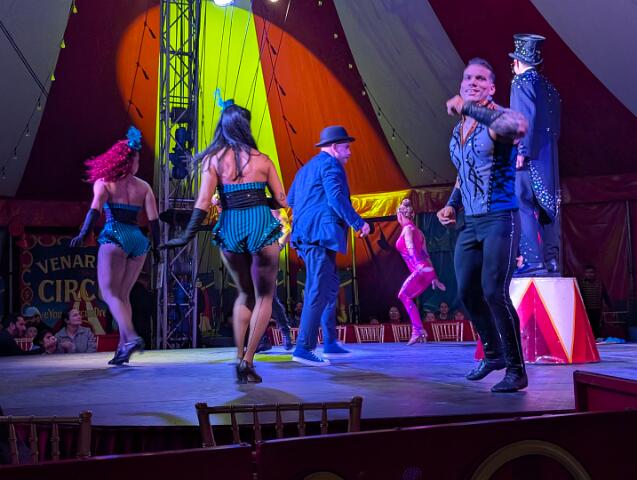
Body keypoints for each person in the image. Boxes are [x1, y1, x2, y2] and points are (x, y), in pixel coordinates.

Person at [163, 103, 287, 383]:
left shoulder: (214, 160)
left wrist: (186, 235)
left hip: (231, 227)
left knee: (245, 294)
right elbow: (281, 200)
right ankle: (248, 361)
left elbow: (203, 202)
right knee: (264, 296)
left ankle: (238, 354)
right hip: (260, 225)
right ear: (246, 126)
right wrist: (258, 199)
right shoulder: (263, 160)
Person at [437, 57, 529, 392]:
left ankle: (516, 370)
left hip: (500, 218)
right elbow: (463, 174)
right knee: (466, 292)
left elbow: (518, 126)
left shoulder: (497, 118)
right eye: (468, 78)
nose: (472, 83)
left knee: (494, 291)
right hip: (471, 223)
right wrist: (451, 204)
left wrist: (469, 108)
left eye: (480, 79)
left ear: (491, 87)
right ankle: (493, 355)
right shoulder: (458, 130)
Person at [70, 126, 159, 365]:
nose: (138, 164)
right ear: (129, 161)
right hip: (138, 240)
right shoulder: (144, 187)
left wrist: (82, 234)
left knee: (108, 293)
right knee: (123, 295)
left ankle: (130, 337)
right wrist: (158, 248)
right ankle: (122, 348)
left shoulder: (104, 183)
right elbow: (153, 221)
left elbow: (94, 211)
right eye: (137, 160)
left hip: (116, 236)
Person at [287, 126, 370, 366]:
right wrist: (358, 223)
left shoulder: (305, 169)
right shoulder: (332, 165)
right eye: (347, 147)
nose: (349, 152)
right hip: (319, 235)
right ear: (334, 147)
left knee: (330, 286)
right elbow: (336, 198)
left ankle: (330, 342)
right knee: (317, 288)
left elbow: (291, 199)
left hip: (305, 234)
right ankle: (304, 348)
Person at [509, 34, 562, 276]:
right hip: (549, 156)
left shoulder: (520, 82)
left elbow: (523, 117)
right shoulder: (551, 89)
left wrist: (521, 150)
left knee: (521, 201)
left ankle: (533, 260)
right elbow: (556, 126)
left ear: (517, 62)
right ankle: (551, 260)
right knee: (549, 207)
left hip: (528, 154)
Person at [395, 198, 446, 344]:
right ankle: (418, 329)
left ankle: (418, 330)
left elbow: (410, 247)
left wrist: (418, 266)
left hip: (420, 268)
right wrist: (434, 277)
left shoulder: (407, 230)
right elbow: (426, 255)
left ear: (400, 215)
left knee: (403, 295)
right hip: (426, 269)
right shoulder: (419, 232)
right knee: (405, 296)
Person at [579, 265, 612, 339]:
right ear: (584, 274)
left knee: (596, 325)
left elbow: (605, 295)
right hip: (585, 309)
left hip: (597, 308)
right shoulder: (581, 284)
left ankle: (596, 339)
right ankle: (588, 339)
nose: (589, 274)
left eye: (591, 272)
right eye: (587, 272)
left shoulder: (599, 283)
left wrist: (609, 306)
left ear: (594, 273)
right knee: (587, 325)